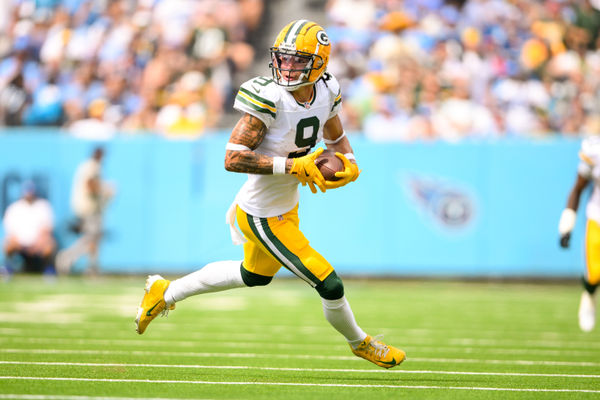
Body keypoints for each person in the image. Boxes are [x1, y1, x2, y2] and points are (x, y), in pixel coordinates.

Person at [134, 20, 406, 369]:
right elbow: (232, 158)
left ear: (320, 62)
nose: (287, 67)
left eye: (297, 60)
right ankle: (360, 342)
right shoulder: (268, 95)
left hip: (284, 205)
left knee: (253, 275)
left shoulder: (326, 90)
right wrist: (294, 167)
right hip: (261, 214)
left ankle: (165, 292)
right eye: (283, 58)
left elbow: (336, 138)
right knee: (329, 282)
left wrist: (349, 162)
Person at [559, 135, 600, 332]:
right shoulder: (595, 150)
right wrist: (567, 224)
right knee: (596, 273)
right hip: (598, 217)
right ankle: (589, 296)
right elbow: (578, 189)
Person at [56, 147, 115, 276]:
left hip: (86, 208)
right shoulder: (92, 167)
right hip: (89, 209)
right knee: (90, 240)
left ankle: (92, 267)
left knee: (94, 239)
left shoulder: (86, 166)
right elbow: (90, 185)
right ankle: (66, 258)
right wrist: (106, 190)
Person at [2, 180, 56, 274]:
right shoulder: (14, 208)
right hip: (20, 244)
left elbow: (47, 230)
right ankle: (8, 268)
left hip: (38, 243)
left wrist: (37, 243)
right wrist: (19, 243)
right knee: (7, 245)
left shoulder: (43, 206)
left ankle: (48, 270)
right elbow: (10, 233)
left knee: (50, 245)